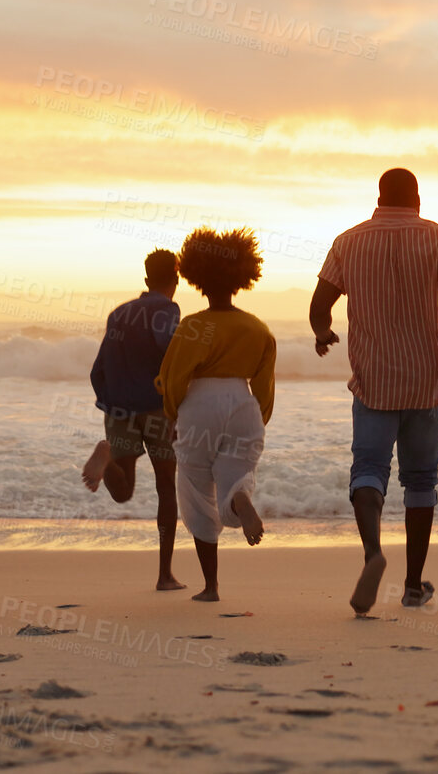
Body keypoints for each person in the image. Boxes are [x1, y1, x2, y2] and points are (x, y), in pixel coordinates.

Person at [310, 168, 438, 615]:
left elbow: (319, 306)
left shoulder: (348, 242)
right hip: (424, 379)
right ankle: (413, 586)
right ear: (417, 196)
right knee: (420, 481)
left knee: (368, 470)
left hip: (372, 380)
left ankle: (372, 554)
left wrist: (323, 333)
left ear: (378, 196)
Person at [157, 227, 276, 603]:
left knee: (195, 492)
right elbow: (265, 386)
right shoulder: (257, 327)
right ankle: (240, 498)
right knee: (236, 475)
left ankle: (211, 588)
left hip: (201, 404)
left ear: (199, 280)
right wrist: (257, 419)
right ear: (242, 279)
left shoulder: (194, 325)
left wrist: (173, 414)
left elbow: (172, 377)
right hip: (243, 403)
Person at [81, 248, 186, 591]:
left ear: (145, 279)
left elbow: (98, 368)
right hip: (156, 408)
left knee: (123, 490)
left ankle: (107, 456)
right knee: (165, 488)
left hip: (119, 408)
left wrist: (109, 403)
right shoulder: (167, 309)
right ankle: (165, 575)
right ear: (177, 278)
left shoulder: (119, 313)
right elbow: (171, 352)